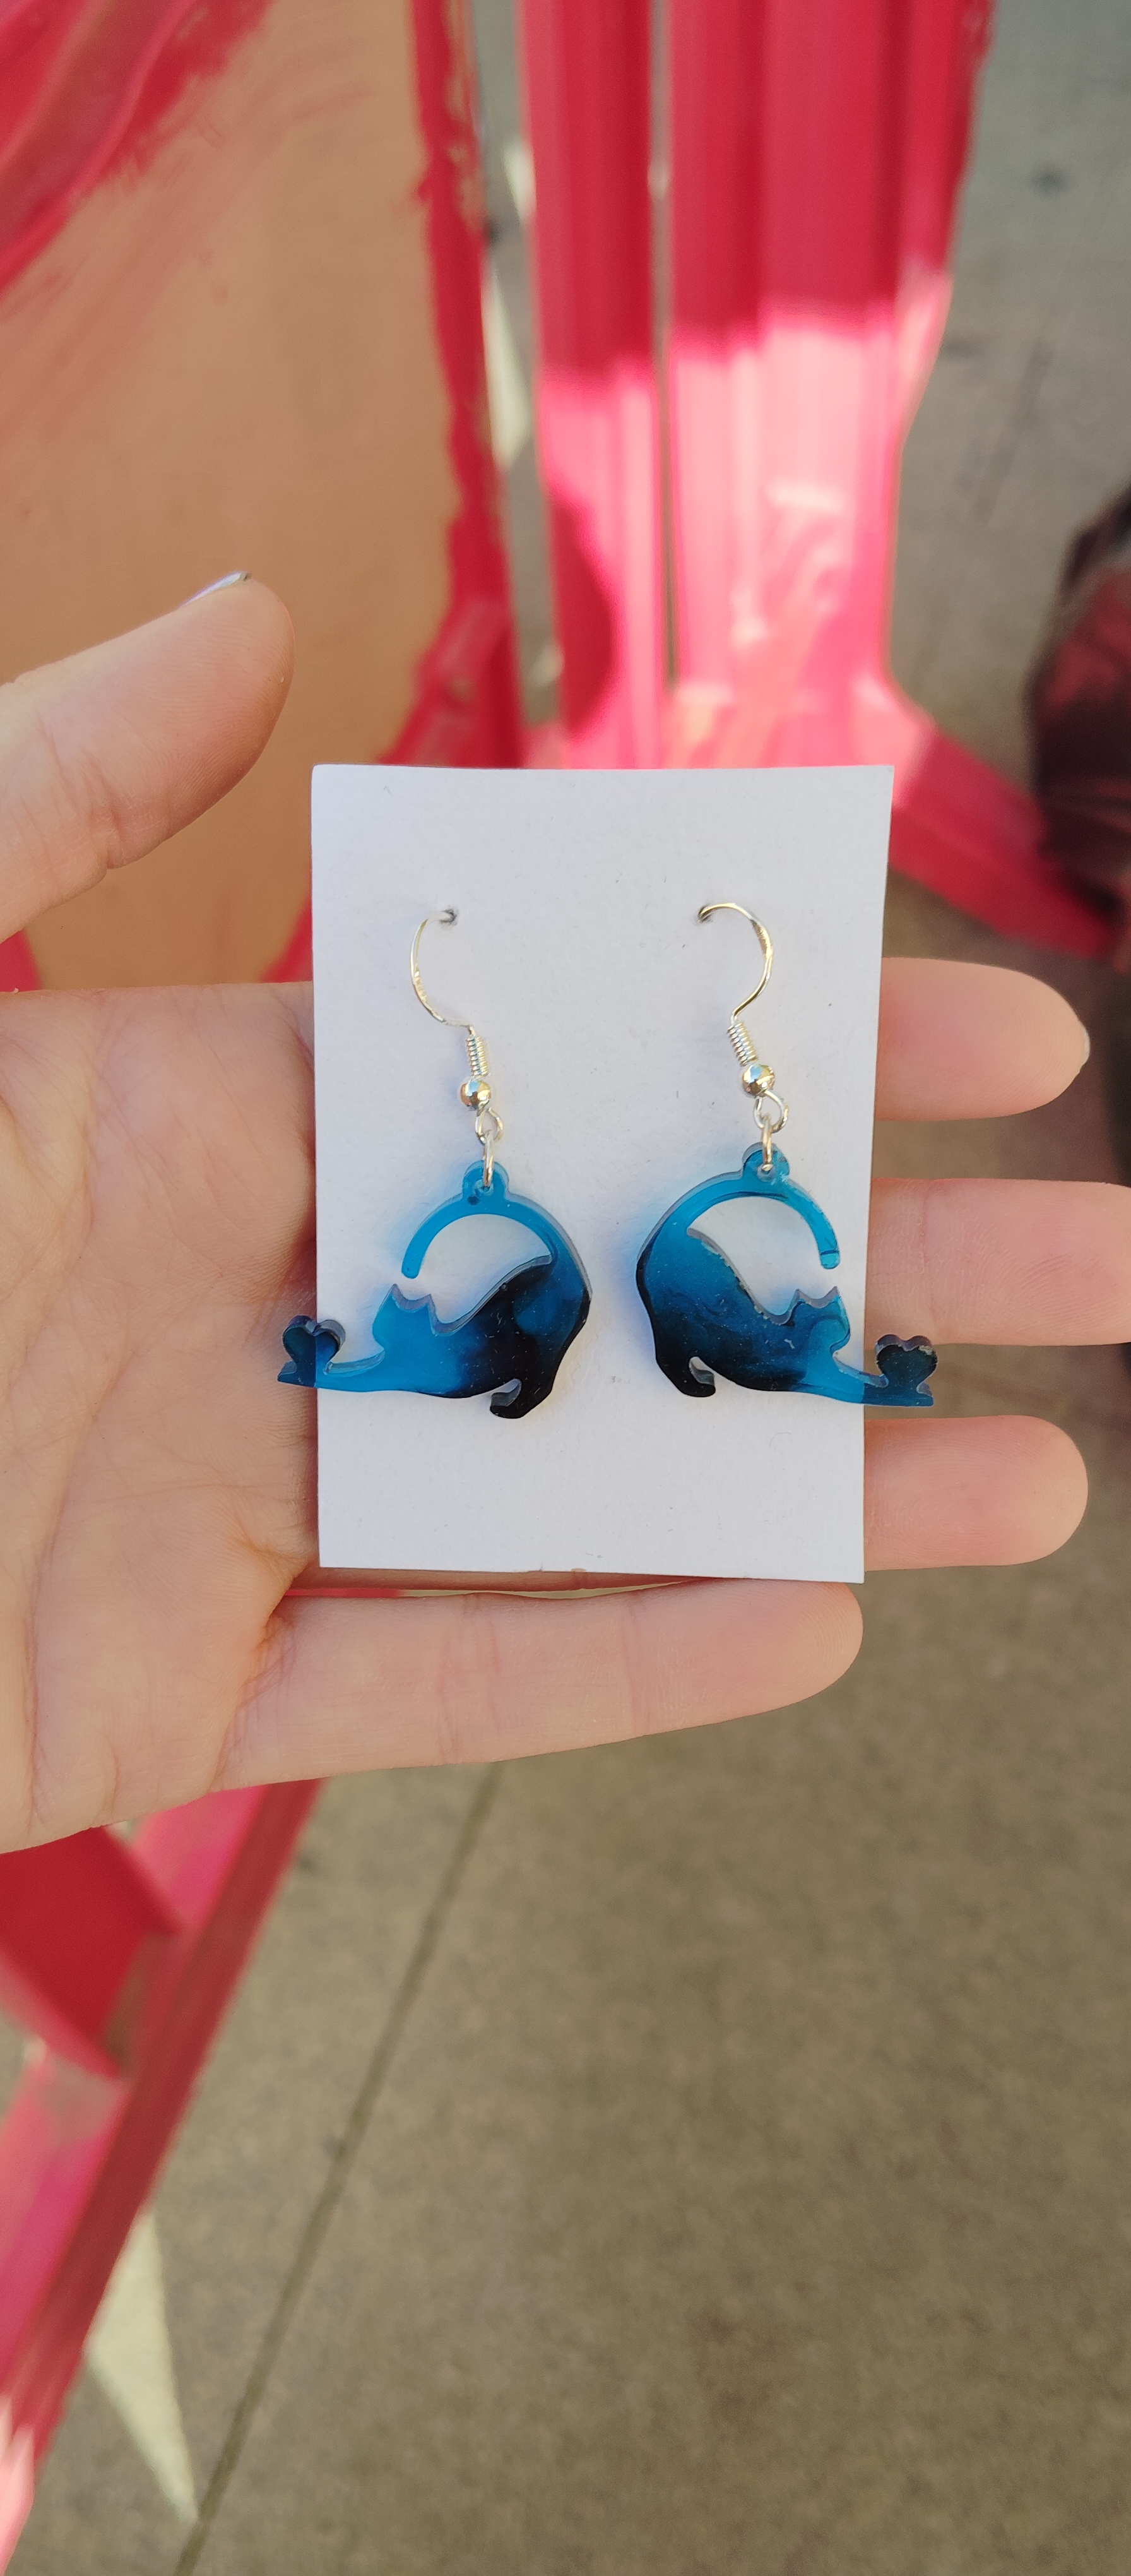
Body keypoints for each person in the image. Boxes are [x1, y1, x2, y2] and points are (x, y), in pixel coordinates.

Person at [0, 578, 1125, 1854]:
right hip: (589, 1302)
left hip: (610, 1300)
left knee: (592, 1338)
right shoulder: (595, 1309)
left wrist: (764, 1243)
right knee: (553, 1339)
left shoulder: (643, 1306)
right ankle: (615, 1334)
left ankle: (631, 1334)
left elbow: (579, 1326)